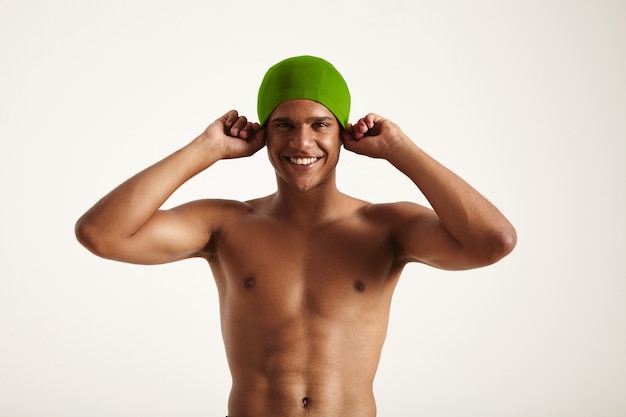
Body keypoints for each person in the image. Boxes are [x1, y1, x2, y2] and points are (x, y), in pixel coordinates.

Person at [75, 55, 516, 417]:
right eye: (284, 124)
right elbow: (101, 234)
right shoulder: (224, 225)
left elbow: (494, 241)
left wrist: (401, 150)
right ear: (264, 133)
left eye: (320, 124)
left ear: (343, 133)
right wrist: (206, 148)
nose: (302, 142)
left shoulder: (387, 229)